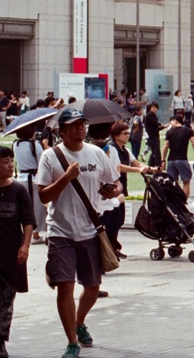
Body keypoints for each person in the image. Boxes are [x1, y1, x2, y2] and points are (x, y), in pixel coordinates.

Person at [37, 107, 122, 358]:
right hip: (60, 232)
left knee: (93, 287)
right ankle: (72, 342)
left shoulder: (96, 153)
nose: (80, 129)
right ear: (61, 131)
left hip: (90, 232)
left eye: (82, 124)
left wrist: (113, 190)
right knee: (65, 287)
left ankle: (79, 321)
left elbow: (116, 183)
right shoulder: (50, 157)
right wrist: (65, 177)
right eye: (74, 125)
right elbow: (43, 196)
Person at [0, 144, 35, 358]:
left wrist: (26, 245)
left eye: (11, 161)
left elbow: (28, 221)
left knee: (6, 302)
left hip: (11, 256)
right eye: (5, 162)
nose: (10, 165)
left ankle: (1, 341)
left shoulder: (19, 190)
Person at [104, 121, 154, 257]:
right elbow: (119, 166)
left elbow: (135, 162)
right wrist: (139, 169)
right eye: (124, 133)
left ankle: (114, 247)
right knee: (113, 219)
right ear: (115, 135)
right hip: (113, 187)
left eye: (128, 133)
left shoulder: (125, 149)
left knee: (119, 219)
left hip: (121, 186)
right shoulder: (111, 148)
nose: (128, 136)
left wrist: (150, 169)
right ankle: (110, 248)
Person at [12, 125, 47, 244]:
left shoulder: (16, 144)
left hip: (21, 178)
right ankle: (36, 234)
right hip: (34, 179)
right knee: (38, 207)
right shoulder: (34, 145)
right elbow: (42, 161)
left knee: (25, 207)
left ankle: (29, 232)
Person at [161, 115, 194, 200]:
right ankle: (184, 202)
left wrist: (163, 160)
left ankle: (175, 203)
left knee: (173, 182)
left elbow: (165, 146)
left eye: (171, 122)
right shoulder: (188, 131)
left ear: (175, 121)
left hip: (171, 160)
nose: (170, 124)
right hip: (182, 159)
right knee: (186, 182)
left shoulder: (169, 132)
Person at [143, 103, 161, 167]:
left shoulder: (153, 115)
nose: (154, 109)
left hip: (154, 135)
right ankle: (158, 166)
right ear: (150, 108)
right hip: (152, 136)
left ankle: (150, 166)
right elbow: (155, 125)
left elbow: (156, 126)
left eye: (155, 107)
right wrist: (162, 126)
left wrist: (161, 126)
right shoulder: (150, 115)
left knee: (154, 151)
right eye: (153, 107)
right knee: (156, 152)